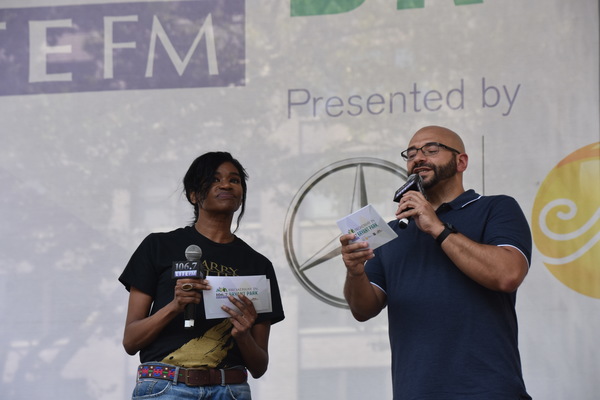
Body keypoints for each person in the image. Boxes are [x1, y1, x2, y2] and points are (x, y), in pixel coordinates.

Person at [340, 126, 532, 400]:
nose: (419, 158)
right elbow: (363, 309)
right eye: (412, 153)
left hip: (489, 390)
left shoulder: (496, 208)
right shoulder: (392, 232)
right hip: (415, 391)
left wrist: (437, 227)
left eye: (432, 149)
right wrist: (354, 271)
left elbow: (508, 274)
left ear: (461, 162)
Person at [119, 151, 285, 400]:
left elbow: (260, 366)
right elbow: (131, 341)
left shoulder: (258, 265)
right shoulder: (158, 246)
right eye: (215, 179)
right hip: (165, 387)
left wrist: (243, 334)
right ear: (193, 195)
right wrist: (174, 307)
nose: (226, 184)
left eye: (235, 180)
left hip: (229, 389)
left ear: (241, 197)